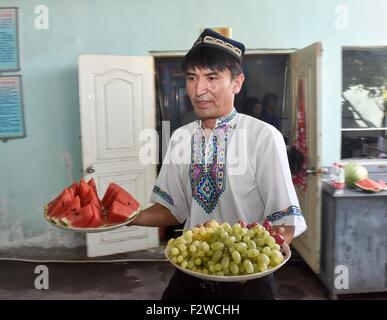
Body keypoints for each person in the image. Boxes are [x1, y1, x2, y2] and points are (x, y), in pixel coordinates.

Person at [129, 28, 307, 300]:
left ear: (237, 83)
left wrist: (267, 250)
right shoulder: (180, 138)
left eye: (212, 77)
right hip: (189, 277)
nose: (199, 90)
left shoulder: (263, 136)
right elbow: (173, 210)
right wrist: (118, 219)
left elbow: (285, 221)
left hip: (248, 286)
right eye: (192, 78)